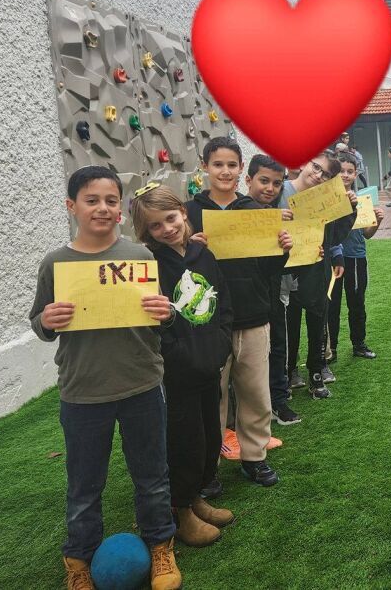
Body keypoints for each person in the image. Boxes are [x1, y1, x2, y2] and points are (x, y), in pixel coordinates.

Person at [29, 166, 181, 590]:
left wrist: (167, 314)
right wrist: (46, 320)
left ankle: (161, 546)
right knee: (84, 484)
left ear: (120, 209)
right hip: (83, 391)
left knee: (152, 476)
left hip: (142, 383)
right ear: (71, 206)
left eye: (111, 201)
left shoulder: (141, 257)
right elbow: (38, 323)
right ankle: (78, 560)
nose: (102, 208)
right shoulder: (56, 263)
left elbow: (161, 318)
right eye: (91, 200)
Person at [129, 183, 240, 548]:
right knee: (184, 442)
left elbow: (222, 304)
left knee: (210, 436)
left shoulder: (203, 255)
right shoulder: (151, 266)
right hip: (177, 374)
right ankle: (181, 511)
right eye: (156, 225)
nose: (167, 228)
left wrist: (221, 344)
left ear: (183, 212)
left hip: (210, 366)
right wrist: (179, 354)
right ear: (146, 232)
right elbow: (153, 322)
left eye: (170, 218)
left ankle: (196, 497)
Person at [185, 137, 287, 489]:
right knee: (212, 395)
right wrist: (189, 248)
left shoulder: (255, 211)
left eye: (231, 165)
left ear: (241, 169)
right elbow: (177, 266)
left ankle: (254, 457)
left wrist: (282, 250)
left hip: (252, 313)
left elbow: (270, 270)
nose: (225, 171)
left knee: (255, 391)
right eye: (218, 164)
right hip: (207, 319)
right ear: (205, 167)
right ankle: (208, 465)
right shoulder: (189, 212)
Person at [283, 149, 358, 396]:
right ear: (305, 162)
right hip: (284, 273)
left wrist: (350, 209)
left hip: (316, 269)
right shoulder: (280, 191)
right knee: (289, 324)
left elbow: (335, 236)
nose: (318, 176)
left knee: (317, 321)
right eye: (316, 167)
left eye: (326, 175)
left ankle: (317, 372)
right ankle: (289, 370)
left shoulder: (326, 199)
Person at [243, 154, 302, 427]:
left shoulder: (280, 211)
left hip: (274, 289)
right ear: (249, 179)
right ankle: (248, 409)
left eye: (276, 183)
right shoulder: (236, 211)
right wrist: (267, 219)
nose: (270, 188)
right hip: (244, 296)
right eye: (264, 181)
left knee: (278, 343)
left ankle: (278, 399)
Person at [328, 152, 385, 360]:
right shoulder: (328, 201)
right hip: (332, 260)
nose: (345, 175)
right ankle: (331, 349)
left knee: (357, 303)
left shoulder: (362, 201)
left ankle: (359, 344)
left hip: (356, 257)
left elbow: (367, 234)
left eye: (350, 171)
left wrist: (377, 221)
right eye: (341, 171)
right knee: (331, 305)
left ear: (355, 174)